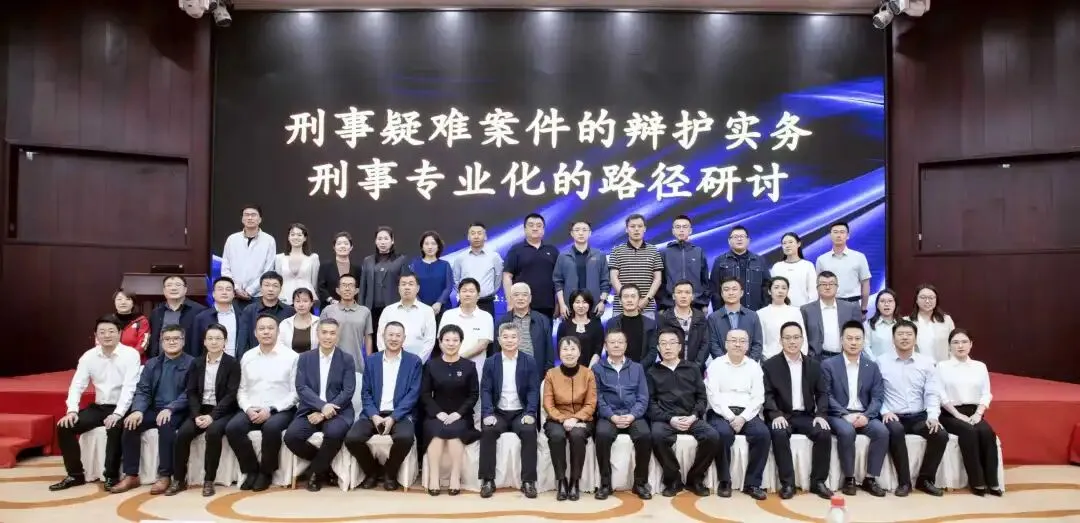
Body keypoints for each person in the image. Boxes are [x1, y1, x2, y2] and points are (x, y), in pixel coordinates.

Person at [50, 315, 141, 492]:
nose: (107, 335)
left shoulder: (131, 355)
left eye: (111, 331)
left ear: (120, 333)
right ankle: (75, 475)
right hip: (100, 406)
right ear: (96, 335)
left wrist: (118, 414)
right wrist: (72, 410)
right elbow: (77, 385)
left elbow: (129, 388)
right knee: (65, 427)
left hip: (124, 407)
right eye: (102, 332)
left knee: (115, 427)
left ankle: (111, 476)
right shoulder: (89, 356)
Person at [110, 325, 195, 494]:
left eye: (176, 338)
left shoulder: (192, 363)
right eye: (167, 339)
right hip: (154, 408)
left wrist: (171, 408)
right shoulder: (152, 363)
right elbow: (143, 390)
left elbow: (190, 392)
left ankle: (165, 475)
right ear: (161, 342)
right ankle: (131, 475)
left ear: (183, 341)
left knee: (166, 424)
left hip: (177, 411)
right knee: (130, 424)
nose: (171, 342)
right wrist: (138, 410)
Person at [345, 321, 423, 491]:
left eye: (398, 335)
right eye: (390, 335)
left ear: (404, 338)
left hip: (400, 414)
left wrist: (393, 417)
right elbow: (365, 392)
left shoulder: (414, 361)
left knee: (405, 438)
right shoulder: (372, 360)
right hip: (373, 413)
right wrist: (374, 415)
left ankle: (390, 473)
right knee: (352, 438)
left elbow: (413, 394)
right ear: (383, 337)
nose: (394, 339)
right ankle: (372, 472)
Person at [225, 314, 299, 492]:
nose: (266, 332)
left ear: (278, 332)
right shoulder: (248, 356)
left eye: (270, 328)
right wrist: (248, 408)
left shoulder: (291, 357)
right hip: (252, 407)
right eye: (262, 329)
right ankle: (251, 470)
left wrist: (271, 409)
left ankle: (266, 472)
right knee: (233, 428)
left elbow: (295, 393)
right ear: (255, 333)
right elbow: (241, 389)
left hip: (281, 409)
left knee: (271, 428)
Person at [762, 321, 834, 500]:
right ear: (781, 341)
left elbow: (822, 393)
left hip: (805, 415)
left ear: (802, 340)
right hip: (782, 415)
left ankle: (818, 482)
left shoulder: (813, 365)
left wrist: (820, 414)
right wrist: (775, 414)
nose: (792, 341)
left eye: (796, 337)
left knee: (824, 432)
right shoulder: (770, 365)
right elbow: (767, 395)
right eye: (787, 338)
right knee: (779, 433)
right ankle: (787, 483)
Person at [167, 323, 240, 497]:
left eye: (218, 338)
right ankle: (178, 479)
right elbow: (191, 392)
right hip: (200, 409)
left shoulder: (232, 363)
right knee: (183, 434)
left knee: (213, 433)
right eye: (210, 338)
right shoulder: (197, 363)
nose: (214, 342)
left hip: (223, 410)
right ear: (204, 342)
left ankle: (209, 480)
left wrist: (212, 417)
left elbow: (231, 395)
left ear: (225, 342)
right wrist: (196, 415)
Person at [284, 318, 356, 492]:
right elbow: (301, 387)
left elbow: (348, 391)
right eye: (324, 332)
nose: (328, 337)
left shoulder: (346, 359)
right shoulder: (305, 358)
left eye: (332, 333)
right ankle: (324, 465)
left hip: (339, 411)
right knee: (291, 437)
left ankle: (315, 473)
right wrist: (322, 406)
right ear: (317, 334)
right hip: (310, 409)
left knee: (334, 433)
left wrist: (325, 412)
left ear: (337, 336)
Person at [879, 319, 947, 497]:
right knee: (896, 431)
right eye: (900, 334)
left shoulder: (926, 363)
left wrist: (933, 416)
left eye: (909, 334)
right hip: (893, 416)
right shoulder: (881, 362)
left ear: (915, 339)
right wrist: (885, 411)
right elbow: (876, 393)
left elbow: (932, 393)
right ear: (893, 339)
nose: (904, 338)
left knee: (940, 435)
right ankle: (904, 482)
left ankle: (925, 480)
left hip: (919, 416)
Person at [647, 328, 718, 497]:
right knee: (656, 436)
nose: (668, 347)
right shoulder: (652, 372)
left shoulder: (692, 368)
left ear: (680, 347)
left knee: (712, 436)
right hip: (666, 419)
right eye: (663, 344)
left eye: (672, 343)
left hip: (691, 417)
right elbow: (650, 403)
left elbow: (702, 398)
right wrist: (670, 419)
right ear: (658, 348)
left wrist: (694, 416)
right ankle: (673, 480)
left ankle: (695, 479)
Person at [821, 321, 888, 497]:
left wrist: (867, 416)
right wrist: (844, 415)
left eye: (858, 339)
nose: (853, 342)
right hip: (838, 414)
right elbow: (826, 395)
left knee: (882, 431)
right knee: (847, 431)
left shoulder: (871, 366)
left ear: (863, 341)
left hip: (864, 414)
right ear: (841, 340)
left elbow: (877, 397)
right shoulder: (828, 364)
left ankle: (870, 479)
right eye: (849, 338)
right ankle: (849, 478)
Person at [704, 328, 770, 500]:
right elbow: (713, 396)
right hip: (720, 412)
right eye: (733, 340)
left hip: (747, 413)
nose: (738, 344)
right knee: (722, 434)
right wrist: (731, 417)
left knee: (763, 434)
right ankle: (724, 481)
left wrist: (743, 418)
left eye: (742, 341)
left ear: (748, 345)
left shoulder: (754, 366)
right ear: (726, 344)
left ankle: (752, 484)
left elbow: (758, 397)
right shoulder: (716, 365)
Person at [478, 323, 540, 499]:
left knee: (529, 431)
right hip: (498, 412)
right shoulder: (491, 362)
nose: (509, 340)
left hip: (521, 412)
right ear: (499, 340)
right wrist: (488, 414)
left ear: (519, 340)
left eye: (513, 337)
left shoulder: (529, 361)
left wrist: (530, 413)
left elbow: (533, 390)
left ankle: (528, 481)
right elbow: (486, 390)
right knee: (488, 431)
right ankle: (488, 480)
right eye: (505, 337)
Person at [938, 329, 1002, 496]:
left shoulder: (980, 366)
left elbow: (986, 393)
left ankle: (993, 481)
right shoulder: (942, 366)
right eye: (955, 342)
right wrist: (957, 415)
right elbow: (941, 395)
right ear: (949, 346)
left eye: (964, 342)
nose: (960, 346)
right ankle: (977, 481)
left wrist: (978, 414)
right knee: (969, 432)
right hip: (950, 413)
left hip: (974, 412)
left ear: (971, 344)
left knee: (987, 432)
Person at [420, 325, 480, 496]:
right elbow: (425, 394)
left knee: (455, 433)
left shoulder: (469, 366)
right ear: (440, 343)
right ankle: (434, 478)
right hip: (436, 414)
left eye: (455, 340)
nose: (451, 343)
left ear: (461, 343)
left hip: (461, 415)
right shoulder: (431, 365)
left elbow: (473, 395)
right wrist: (437, 413)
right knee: (436, 434)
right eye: (447, 340)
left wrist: (458, 413)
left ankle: (455, 477)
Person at [592, 329, 652, 501]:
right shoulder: (597, 369)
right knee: (602, 435)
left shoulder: (637, 368)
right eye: (612, 342)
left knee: (645, 435)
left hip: (633, 415)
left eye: (620, 342)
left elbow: (643, 397)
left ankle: (640, 483)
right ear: (605, 346)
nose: (616, 345)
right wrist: (611, 416)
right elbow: (597, 397)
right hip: (609, 415)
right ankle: (605, 484)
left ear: (626, 345)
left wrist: (632, 415)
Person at [543, 336, 597, 501]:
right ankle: (561, 481)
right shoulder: (551, 374)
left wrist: (576, 419)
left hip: (582, 419)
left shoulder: (588, 374)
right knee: (557, 436)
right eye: (565, 349)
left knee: (577, 435)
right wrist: (562, 419)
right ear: (559, 353)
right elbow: (548, 404)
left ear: (579, 352)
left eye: (573, 349)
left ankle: (575, 481)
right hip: (556, 418)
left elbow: (591, 403)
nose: (569, 353)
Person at [503, 213, 560, 319]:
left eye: (539, 226)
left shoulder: (552, 250)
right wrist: (510, 302)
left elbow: (558, 279)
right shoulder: (516, 250)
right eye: (531, 225)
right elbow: (507, 276)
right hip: (521, 305)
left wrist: (558, 303)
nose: (535, 228)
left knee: (545, 330)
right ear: (525, 229)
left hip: (547, 305)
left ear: (543, 230)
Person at [220, 205, 276, 310]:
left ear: (260, 219)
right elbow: (225, 268)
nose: (250, 218)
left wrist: (250, 290)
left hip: (258, 295)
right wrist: (236, 288)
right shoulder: (232, 239)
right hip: (234, 295)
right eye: (246, 215)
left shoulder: (269, 240)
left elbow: (268, 270)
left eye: (253, 215)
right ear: (242, 219)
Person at [493, 282, 554, 377]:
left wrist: (548, 375)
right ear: (510, 298)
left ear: (530, 298)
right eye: (516, 295)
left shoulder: (542, 320)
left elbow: (549, 351)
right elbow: (496, 351)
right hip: (509, 373)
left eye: (524, 295)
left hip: (536, 372)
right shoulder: (502, 321)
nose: (520, 298)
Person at [552, 220, 610, 319]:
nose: (581, 233)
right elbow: (558, 283)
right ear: (572, 233)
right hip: (569, 307)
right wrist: (562, 304)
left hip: (594, 307)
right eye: (577, 230)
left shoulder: (599, 255)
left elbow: (605, 281)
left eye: (584, 230)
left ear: (590, 233)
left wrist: (602, 302)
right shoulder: (563, 256)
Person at [376, 272, 437, 361]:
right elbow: (381, 338)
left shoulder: (427, 311)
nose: (407, 287)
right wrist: (387, 360)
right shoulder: (388, 310)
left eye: (411, 284)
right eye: (403, 284)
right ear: (398, 288)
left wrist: (418, 362)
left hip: (418, 363)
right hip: (391, 362)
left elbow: (429, 341)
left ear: (417, 288)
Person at [800, 271, 862, 360]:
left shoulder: (850, 308)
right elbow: (802, 336)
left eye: (831, 284)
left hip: (844, 358)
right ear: (817, 288)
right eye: (823, 284)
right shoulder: (806, 310)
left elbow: (858, 333)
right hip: (816, 359)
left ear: (837, 287)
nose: (827, 287)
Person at [814, 221, 871, 315]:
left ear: (848, 236)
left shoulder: (859, 257)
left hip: (853, 304)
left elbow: (865, 283)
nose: (838, 235)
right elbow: (818, 285)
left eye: (842, 232)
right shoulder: (821, 259)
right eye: (835, 232)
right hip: (829, 304)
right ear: (830, 236)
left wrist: (863, 308)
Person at [359, 226, 409, 331]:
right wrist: (361, 308)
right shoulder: (368, 261)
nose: (383, 242)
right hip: (371, 308)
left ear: (392, 241)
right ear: (375, 241)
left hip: (392, 306)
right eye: (380, 239)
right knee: (372, 337)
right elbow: (363, 287)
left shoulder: (401, 260)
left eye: (386, 239)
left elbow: (405, 284)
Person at [319, 273, 374, 371]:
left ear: (356, 290)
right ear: (338, 290)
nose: (347, 289)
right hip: (331, 365)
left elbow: (368, 338)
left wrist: (369, 361)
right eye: (344, 285)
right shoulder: (328, 310)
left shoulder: (365, 312)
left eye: (351, 285)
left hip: (357, 365)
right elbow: (320, 336)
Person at [710, 225, 770, 311]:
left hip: (756, 312)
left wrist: (764, 309)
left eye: (742, 236)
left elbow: (767, 286)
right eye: (735, 237)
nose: (739, 239)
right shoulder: (720, 260)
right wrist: (719, 312)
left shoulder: (759, 260)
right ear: (729, 241)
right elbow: (714, 289)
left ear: (748, 240)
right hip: (729, 312)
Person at [236, 271, 295, 358]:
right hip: (255, 359)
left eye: (275, 286)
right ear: (261, 288)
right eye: (267, 285)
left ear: (281, 289)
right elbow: (243, 340)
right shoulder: (249, 310)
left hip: (282, 359)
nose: (270, 289)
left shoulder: (290, 311)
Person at [658, 215, 710, 313]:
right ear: (673, 231)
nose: (681, 230)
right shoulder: (665, 252)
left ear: (690, 230)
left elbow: (705, 280)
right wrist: (662, 305)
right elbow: (660, 281)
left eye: (685, 227)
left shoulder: (698, 251)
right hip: (670, 305)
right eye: (678, 227)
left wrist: (704, 303)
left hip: (696, 305)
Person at [148, 275, 206, 358]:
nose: (173, 288)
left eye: (178, 285)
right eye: (169, 285)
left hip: (190, 362)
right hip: (161, 361)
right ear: (164, 290)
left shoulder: (199, 311)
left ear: (185, 289)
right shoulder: (156, 312)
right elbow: (153, 340)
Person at [606, 284, 658, 367]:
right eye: (626, 297)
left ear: (639, 300)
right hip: (618, 369)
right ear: (620, 301)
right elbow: (609, 349)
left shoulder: (650, 323)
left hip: (643, 370)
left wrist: (638, 368)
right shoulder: (612, 323)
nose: (629, 300)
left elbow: (653, 351)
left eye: (633, 296)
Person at [757, 276, 808, 359]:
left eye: (784, 288)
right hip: (770, 358)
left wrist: (802, 356)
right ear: (769, 291)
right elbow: (761, 340)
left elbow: (803, 336)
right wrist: (768, 357)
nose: (780, 291)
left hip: (795, 358)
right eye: (776, 287)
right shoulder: (761, 313)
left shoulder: (795, 311)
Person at [410, 231, 453, 323]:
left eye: (433, 244)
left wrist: (439, 302)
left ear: (438, 246)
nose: (430, 247)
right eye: (426, 244)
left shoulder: (445, 265)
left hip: (442, 308)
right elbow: (412, 286)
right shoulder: (415, 265)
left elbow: (449, 286)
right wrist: (421, 305)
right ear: (422, 247)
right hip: (420, 309)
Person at [554, 290, 604, 368]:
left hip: (591, 369)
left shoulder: (597, 326)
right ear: (572, 304)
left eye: (584, 302)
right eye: (577, 302)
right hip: (569, 368)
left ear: (590, 304)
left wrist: (588, 371)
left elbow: (598, 351)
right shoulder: (563, 326)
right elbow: (560, 350)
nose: (581, 306)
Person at [193, 277, 241, 358]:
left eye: (228, 289)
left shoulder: (242, 315)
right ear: (213, 294)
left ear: (233, 294)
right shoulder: (202, 318)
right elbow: (196, 347)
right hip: (210, 362)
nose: (224, 292)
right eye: (220, 289)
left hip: (238, 362)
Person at [274, 223, 320, 305]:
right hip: (284, 300)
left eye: (299, 235)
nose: (296, 237)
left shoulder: (313, 258)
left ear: (305, 238)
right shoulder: (279, 258)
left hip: (306, 301)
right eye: (292, 234)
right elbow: (278, 282)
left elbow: (314, 284)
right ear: (288, 237)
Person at [908, 284, 955, 363]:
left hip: (941, 365)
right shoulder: (907, 321)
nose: (927, 301)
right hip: (916, 366)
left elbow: (954, 344)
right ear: (916, 300)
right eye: (923, 297)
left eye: (931, 298)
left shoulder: (946, 320)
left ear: (936, 300)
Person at [769, 232, 817, 307]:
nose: (787, 246)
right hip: (781, 309)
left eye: (790, 242)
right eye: (784, 243)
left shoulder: (807, 265)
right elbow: (772, 291)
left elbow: (813, 292)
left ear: (798, 244)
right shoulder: (777, 267)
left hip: (803, 309)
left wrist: (808, 310)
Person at [316, 231, 361, 307]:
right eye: (339, 244)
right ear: (334, 247)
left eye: (346, 244)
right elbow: (321, 288)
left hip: (351, 307)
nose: (342, 246)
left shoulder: (357, 269)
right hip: (330, 307)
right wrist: (331, 300)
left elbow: (359, 288)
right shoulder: (325, 266)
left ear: (351, 247)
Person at [278, 288, 320, 353]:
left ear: (311, 303)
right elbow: (280, 346)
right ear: (293, 303)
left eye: (305, 301)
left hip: (313, 359)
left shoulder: (319, 322)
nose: (301, 305)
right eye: (297, 301)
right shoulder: (285, 323)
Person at [113, 289, 150, 362]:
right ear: (114, 302)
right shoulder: (108, 321)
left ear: (133, 303)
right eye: (119, 299)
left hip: (135, 361)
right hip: (112, 361)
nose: (123, 302)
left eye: (128, 299)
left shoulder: (142, 321)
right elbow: (100, 342)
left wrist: (130, 357)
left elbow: (143, 343)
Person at [864, 289, 899, 359]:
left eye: (890, 301)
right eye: (882, 301)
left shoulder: (903, 324)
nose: (886, 304)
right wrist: (876, 362)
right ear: (877, 305)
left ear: (895, 304)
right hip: (876, 363)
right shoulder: (869, 324)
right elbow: (865, 347)